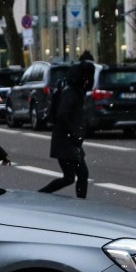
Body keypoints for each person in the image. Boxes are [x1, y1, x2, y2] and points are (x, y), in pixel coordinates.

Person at [38, 62, 89, 199]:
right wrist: (74, 134)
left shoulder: (71, 91)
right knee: (80, 175)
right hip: (67, 142)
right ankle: (80, 202)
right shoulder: (71, 93)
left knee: (70, 177)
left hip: (66, 141)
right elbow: (62, 115)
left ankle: (42, 194)